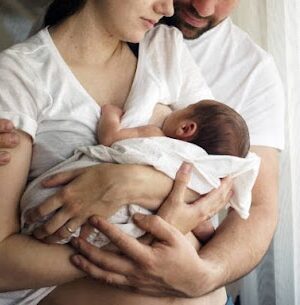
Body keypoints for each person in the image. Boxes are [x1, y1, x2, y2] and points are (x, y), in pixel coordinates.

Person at [0, 0, 284, 304]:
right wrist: (132, 245)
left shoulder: (165, 47)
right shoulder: (19, 76)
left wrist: (131, 182)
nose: (168, 8)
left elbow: (223, 175)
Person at [99, 99, 250, 157]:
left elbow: (109, 138)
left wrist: (110, 113)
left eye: (188, 107)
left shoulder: (154, 134)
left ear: (185, 128)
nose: (178, 107)